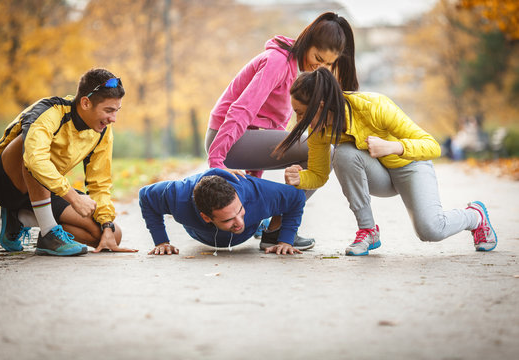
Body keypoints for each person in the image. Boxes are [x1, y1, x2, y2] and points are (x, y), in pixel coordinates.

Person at [274, 68, 497, 256]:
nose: (299, 121)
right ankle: (368, 231)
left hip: (411, 166)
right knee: (342, 153)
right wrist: (300, 178)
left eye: (301, 113)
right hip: (381, 175)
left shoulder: (373, 106)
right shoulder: (319, 131)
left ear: (320, 106)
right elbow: (319, 175)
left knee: (430, 230)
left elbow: (432, 146)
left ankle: (474, 216)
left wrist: (394, 146)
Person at [206, 12, 358, 246]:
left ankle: (274, 227)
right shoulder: (277, 62)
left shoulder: (297, 70)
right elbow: (243, 110)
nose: (321, 66)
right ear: (306, 42)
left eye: (329, 63)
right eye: (318, 57)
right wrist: (216, 160)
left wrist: (253, 183)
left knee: (318, 151)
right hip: (226, 138)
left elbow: (270, 128)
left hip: (244, 139)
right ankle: (277, 230)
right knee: (320, 152)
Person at [0, 68, 138, 256]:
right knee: (33, 151)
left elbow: (100, 182)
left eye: (116, 111)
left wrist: (106, 224)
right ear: (86, 103)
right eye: (109, 110)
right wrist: (73, 197)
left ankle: (23, 219)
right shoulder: (50, 111)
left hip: (48, 188)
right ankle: (48, 232)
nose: (113, 119)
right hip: (6, 184)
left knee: (112, 235)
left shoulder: (102, 130)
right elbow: (34, 160)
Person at [139, 168, 312, 256]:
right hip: (198, 233)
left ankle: (266, 228)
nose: (239, 222)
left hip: (252, 225)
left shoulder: (257, 193)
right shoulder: (177, 196)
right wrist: (161, 241)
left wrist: (286, 240)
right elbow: (145, 196)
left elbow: (297, 197)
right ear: (206, 217)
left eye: (239, 211)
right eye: (229, 219)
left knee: (261, 212)